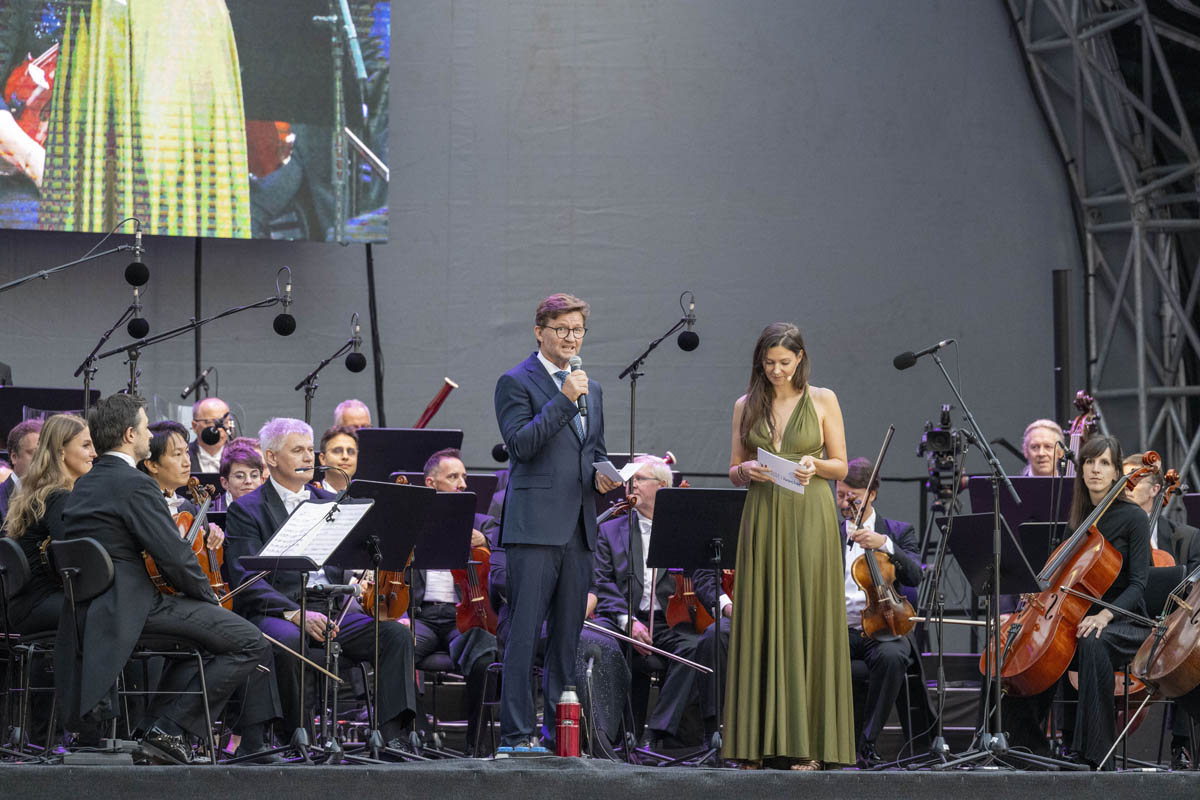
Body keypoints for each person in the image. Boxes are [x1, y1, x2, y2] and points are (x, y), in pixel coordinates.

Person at [56, 394, 272, 764]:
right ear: (129, 435)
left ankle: (152, 731)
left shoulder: (85, 484)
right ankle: (170, 730)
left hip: (95, 609)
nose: (147, 434)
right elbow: (175, 557)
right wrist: (209, 599)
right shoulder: (136, 484)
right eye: (144, 427)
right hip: (133, 607)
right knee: (249, 641)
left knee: (202, 644)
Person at [223, 417, 417, 745]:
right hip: (278, 610)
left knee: (394, 635)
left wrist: (361, 574)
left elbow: (346, 561)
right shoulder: (247, 509)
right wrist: (295, 613)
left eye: (309, 450)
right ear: (271, 457)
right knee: (290, 641)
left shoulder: (331, 502)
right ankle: (296, 739)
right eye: (297, 450)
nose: (307, 457)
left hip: (330, 608)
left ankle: (392, 737)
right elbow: (246, 577)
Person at [493, 292, 619, 752]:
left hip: (580, 526)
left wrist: (604, 475)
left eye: (577, 330)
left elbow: (594, 450)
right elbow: (520, 446)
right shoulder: (515, 381)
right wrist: (564, 400)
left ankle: (557, 737)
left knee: (567, 639)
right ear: (539, 331)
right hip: (534, 527)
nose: (571, 338)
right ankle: (515, 734)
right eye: (562, 329)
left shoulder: (593, 388)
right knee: (525, 635)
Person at [724, 322, 852, 769]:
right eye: (768, 363)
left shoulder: (823, 399)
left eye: (784, 362)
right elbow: (734, 469)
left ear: (800, 359)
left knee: (808, 615)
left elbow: (841, 466)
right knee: (760, 615)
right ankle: (753, 745)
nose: (776, 370)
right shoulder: (745, 404)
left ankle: (810, 746)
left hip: (809, 514)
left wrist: (815, 464)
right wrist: (746, 472)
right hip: (762, 514)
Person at [1006, 435, 1151, 768]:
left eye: (1104, 463)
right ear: (1081, 469)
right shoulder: (1079, 520)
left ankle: (1094, 754)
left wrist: (1105, 616)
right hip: (1078, 618)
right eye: (1089, 462)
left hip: (1125, 621)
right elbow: (1063, 580)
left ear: (1116, 473)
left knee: (1091, 641)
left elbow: (1139, 585)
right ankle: (1027, 748)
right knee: (1030, 648)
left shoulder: (1133, 518)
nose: (1095, 469)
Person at [586, 454, 720, 750]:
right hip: (622, 618)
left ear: (662, 486)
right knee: (601, 641)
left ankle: (655, 731)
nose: (631, 485)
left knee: (695, 648)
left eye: (639, 479)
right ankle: (607, 736)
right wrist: (628, 620)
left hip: (668, 620)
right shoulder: (609, 530)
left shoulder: (682, 530)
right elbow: (602, 581)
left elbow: (700, 575)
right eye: (629, 480)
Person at [835, 457, 923, 766]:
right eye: (840, 494)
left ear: (872, 494)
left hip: (882, 629)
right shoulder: (827, 531)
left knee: (894, 656)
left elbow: (916, 575)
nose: (845, 503)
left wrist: (885, 544)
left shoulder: (897, 532)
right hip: (838, 630)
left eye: (853, 497)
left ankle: (867, 742)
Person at [411, 448, 498, 754]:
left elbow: (504, 553)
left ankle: (477, 744)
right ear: (431, 483)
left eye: (464, 476)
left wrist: (486, 542)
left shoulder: (483, 525)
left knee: (486, 655)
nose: (463, 483)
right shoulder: (410, 521)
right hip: (420, 616)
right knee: (393, 649)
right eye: (453, 477)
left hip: (464, 617)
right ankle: (418, 735)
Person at [1121, 453, 1199, 769]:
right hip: (1124, 625)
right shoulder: (1108, 536)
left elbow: (1194, 592)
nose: (1126, 486)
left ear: (1156, 490)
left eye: (1135, 479)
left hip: (1171, 629)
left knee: (1186, 655)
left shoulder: (1187, 538)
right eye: (1123, 479)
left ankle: (1182, 746)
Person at [4, 414, 93, 634]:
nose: (94, 453)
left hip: (26, 603)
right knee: (114, 613)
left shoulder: (43, 491)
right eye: (86, 445)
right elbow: (73, 560)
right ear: (61, 452)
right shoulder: (57, 496)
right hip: (37, 605)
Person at [0, 418, 42, 519]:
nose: (42, 459)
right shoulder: (2, 499)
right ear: (14, 457)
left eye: (45, 453)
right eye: (35, 453)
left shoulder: (52, 495)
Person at [189, 397, 234, 474]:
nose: (219, 429)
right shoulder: (183, 456)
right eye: (210, 422)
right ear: (194, 426)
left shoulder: (239, 456)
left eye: (224, 422)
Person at [219, 440, 266, 509]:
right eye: (239, 476)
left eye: (254, 476)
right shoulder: (207, 512)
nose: (248, 481)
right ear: (225, 483)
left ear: (262, 481)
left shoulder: (274, 510)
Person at [315, 424, 358, 492]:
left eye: (351, 452)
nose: (345, 456)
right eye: (337, 451)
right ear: (323, 459)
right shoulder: (309, 495)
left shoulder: (368, 496)